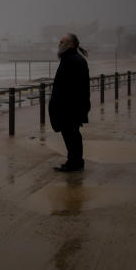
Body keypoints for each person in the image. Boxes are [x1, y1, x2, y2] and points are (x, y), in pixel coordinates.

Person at [48, 33, 91, 172]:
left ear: (71, 44)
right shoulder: (71, 58)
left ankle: (74, 163)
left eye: (62, 42)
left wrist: (62, 104)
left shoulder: (73, 60)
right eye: (60, 42)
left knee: (71, 135)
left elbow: (73, 87)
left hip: (70, 107)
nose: (59, 44)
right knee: (72, 135)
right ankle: (75, 161)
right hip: (71, 106)